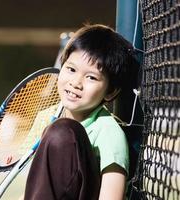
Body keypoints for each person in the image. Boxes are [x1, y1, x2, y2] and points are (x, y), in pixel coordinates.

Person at [24, 24, 139, 200]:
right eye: (71, 69)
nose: (76, 83)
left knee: (63, 131)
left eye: (91, 77)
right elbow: (42, 186)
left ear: (111, 92)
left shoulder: (108, 131)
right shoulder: (46, 117)